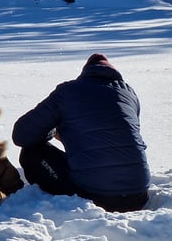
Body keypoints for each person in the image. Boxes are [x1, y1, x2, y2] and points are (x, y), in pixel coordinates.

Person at [12, 53, 151, 212]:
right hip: (138, 195)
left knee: (31, 153)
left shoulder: (67, 91)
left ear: (85, 72)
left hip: (97, 196)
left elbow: (21, 134)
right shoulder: (129, 94)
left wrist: (54, 129)